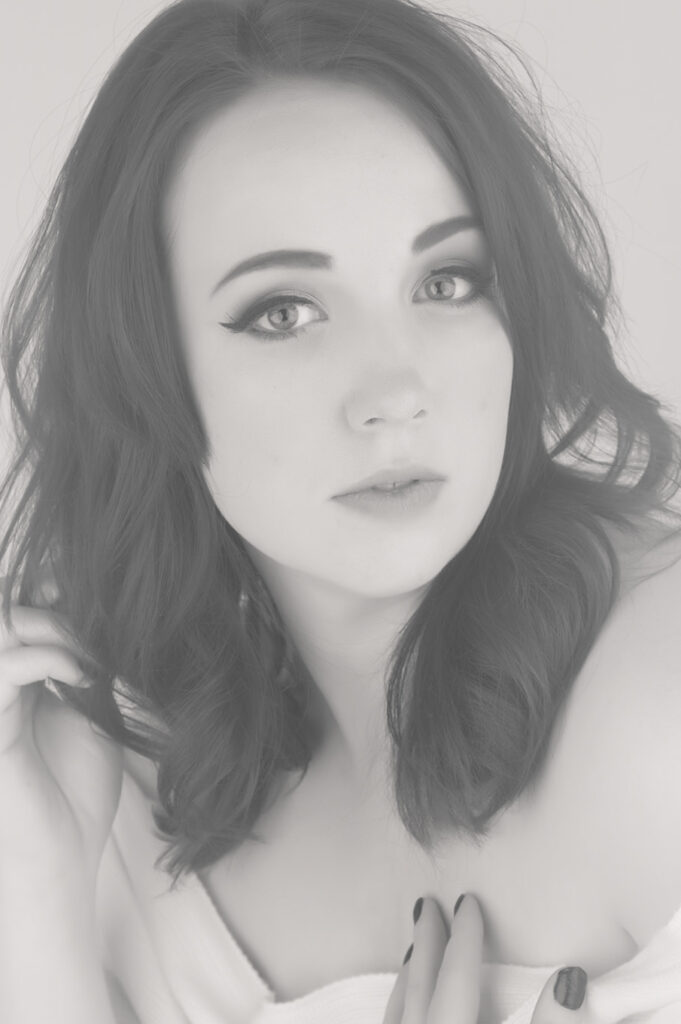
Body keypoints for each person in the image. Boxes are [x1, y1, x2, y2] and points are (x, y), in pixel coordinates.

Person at [1, 0, 680, 1021]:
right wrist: (36, 899)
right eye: (284, 312)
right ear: (149, 378)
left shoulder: (649, 705)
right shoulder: (104, 801)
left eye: (448, 280)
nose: (395, 389)